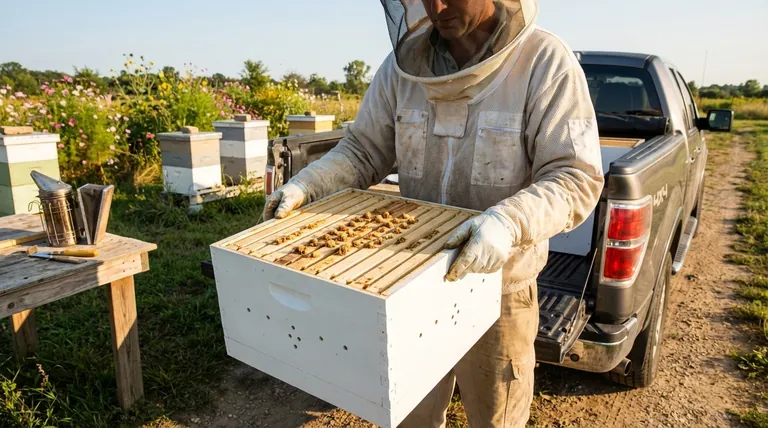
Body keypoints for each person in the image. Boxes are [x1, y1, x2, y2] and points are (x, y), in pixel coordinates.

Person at [263, 0, 604, 426]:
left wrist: (507, 222)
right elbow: (363, 149)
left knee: (495, 417)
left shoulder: (543, 61)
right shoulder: (402, 68)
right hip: (410, 286)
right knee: (412, 416)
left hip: (500, 290)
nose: (437, 7)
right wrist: (308, 184)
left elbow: (575, 176)